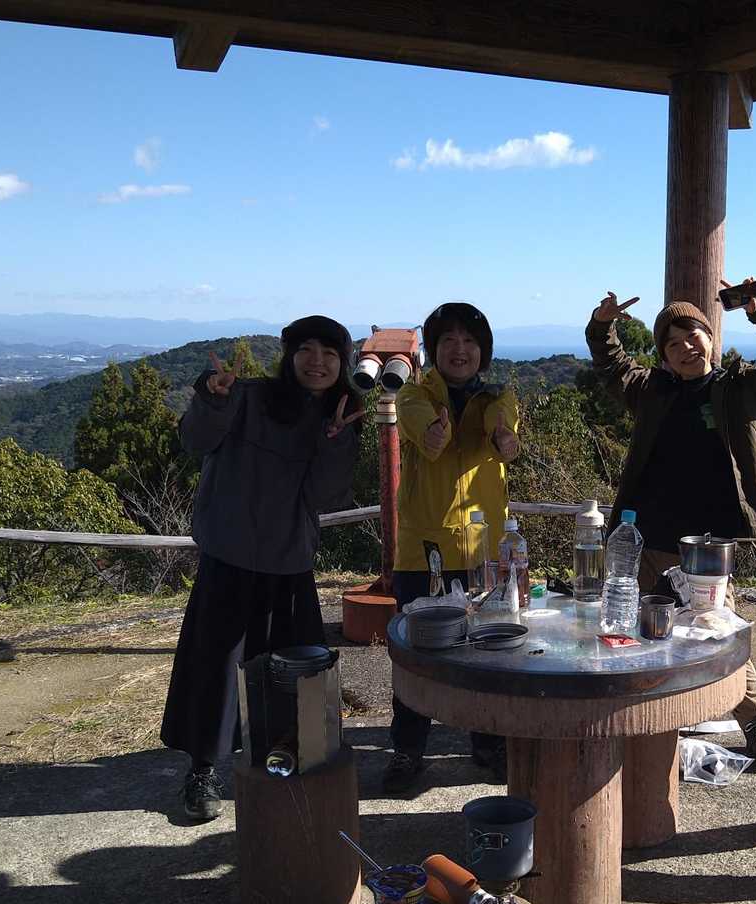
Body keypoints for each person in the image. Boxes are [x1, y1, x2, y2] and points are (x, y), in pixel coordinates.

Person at [585, 282, 756, 770]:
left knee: (715, 630)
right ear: (663, 356)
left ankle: (755, 723)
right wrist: (602, 325)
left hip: (710, 544)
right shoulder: (651, 391)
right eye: (672, 343)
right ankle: (645, 720)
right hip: (647, 535)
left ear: (711, 337)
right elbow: (612, 366)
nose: (685, 348)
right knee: (639, 629)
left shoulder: (745, 389)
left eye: (693, 335)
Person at [161, 315, 363, 821]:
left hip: (289, 562)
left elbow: (325, 496)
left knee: (297, 677)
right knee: (215, 671)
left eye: (330, 354)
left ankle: (293, 764)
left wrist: (335, 440)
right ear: (289, 356)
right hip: (229, 556)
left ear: (342, 365)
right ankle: (203, 771)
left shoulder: (337, 417)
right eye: (307, 350)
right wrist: (212, 398)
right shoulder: (247, 397)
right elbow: (193, 440)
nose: (317, 362)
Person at [381, 301, 521, 794]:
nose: (460, 349)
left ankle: (489, 743)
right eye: (448, 341)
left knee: (491, 654)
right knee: (417, 656)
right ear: (434, 350)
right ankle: (408, 749)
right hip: (426, 553)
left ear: (483, 351)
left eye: (469, 341)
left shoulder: (499, 397)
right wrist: (436, 432)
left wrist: (504, 438)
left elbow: (502, 430)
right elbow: (426, 436)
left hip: (486, 553)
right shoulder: (414, 395)